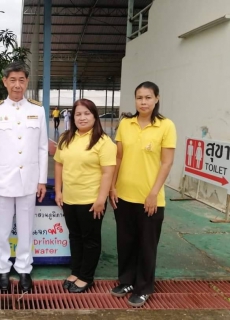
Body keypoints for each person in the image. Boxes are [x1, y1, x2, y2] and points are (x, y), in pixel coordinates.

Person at [109, 81, 176, 307]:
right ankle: (127, 281)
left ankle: (144, 287)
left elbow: (166, 163)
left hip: (150, 197)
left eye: (148, 97)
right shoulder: (125, 124)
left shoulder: (166, 126)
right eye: (139, 97)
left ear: (157, 98)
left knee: (147, 245)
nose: (143, 102)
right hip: (124, 196)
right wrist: (112, 186)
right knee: (125, 242)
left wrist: (153, 193)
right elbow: (117, 158)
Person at [0, 61, 48, 292]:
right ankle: (2, 269)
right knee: (1, 229)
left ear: (27, 81)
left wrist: (42, 180)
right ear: (5, 82)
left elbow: (42, 147)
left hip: (29, 180)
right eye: (13, 80)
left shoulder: (37, 109)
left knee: (25, 227)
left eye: (21, 80)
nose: (17, 85)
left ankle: (23, 269)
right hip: (2, 181)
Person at [54, 99, 116, 293]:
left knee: (90, 239)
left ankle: (86, 277)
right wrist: (58, 190)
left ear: (95, 116)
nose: (82, 118)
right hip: (69, 198)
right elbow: (59, 164)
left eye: (86, 113)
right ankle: (77, 271)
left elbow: (108, 172)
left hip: (91, 200)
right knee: (75, 236)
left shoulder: (103, 141)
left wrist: (101, 200)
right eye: (78, 114)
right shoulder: (66, 138)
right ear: (73, 117)